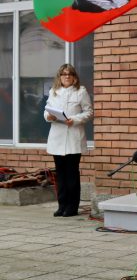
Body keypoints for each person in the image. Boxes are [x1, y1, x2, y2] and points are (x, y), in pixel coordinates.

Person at [44, 64, 93, 217]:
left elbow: (89, 112)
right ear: (60, 77)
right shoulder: (54, 92)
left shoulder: (81, 92)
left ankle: (72, 207)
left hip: (73, 137)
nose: (66, 76)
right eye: (64, 74)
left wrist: (75, 119)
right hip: (57, 138)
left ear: (74, 77)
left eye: (69, 74)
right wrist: (49, 116)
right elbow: (47, 110)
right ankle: (62, 205)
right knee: (60, 174)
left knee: (72, 174)